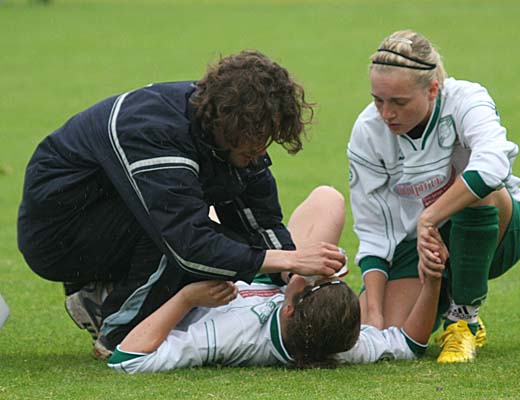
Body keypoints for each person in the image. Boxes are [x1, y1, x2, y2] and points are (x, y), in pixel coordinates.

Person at [17, 50, 346, 358]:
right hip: (58, 236)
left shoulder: (235, 132)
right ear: (227, 123)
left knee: (224, 246)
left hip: (115, 217)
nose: (261, 150)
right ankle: (117, 329)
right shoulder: (154, 129)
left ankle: (105, 293)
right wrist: (289, 257)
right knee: (186, 243)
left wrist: (293, 273)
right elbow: (188, 245)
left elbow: (261, 222)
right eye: (256, 139)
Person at [107, 186, 445, 372]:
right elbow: (410, 344)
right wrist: (432, 281)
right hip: (266, 282)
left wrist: (188, 299)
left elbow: (128, 360)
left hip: (205, 290)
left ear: (289, 309)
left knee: (192, 214)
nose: (317, 276)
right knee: (327, 199)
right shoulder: (345, 345)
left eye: (314, 283)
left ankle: (101, 291)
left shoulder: (227, 336)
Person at [347, 30, 520, 363]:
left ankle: (463, 320)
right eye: (378, 100)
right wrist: (373, 313)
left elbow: (494, 164)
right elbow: (373, 229)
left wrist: (429, 217)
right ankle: (444, 288)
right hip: (419, 245)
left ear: (433, 89)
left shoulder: (466, 98)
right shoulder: (367, 131)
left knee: (481, 191)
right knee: (388, 335)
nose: (386, 113)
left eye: (399, 102)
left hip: (502, 229)